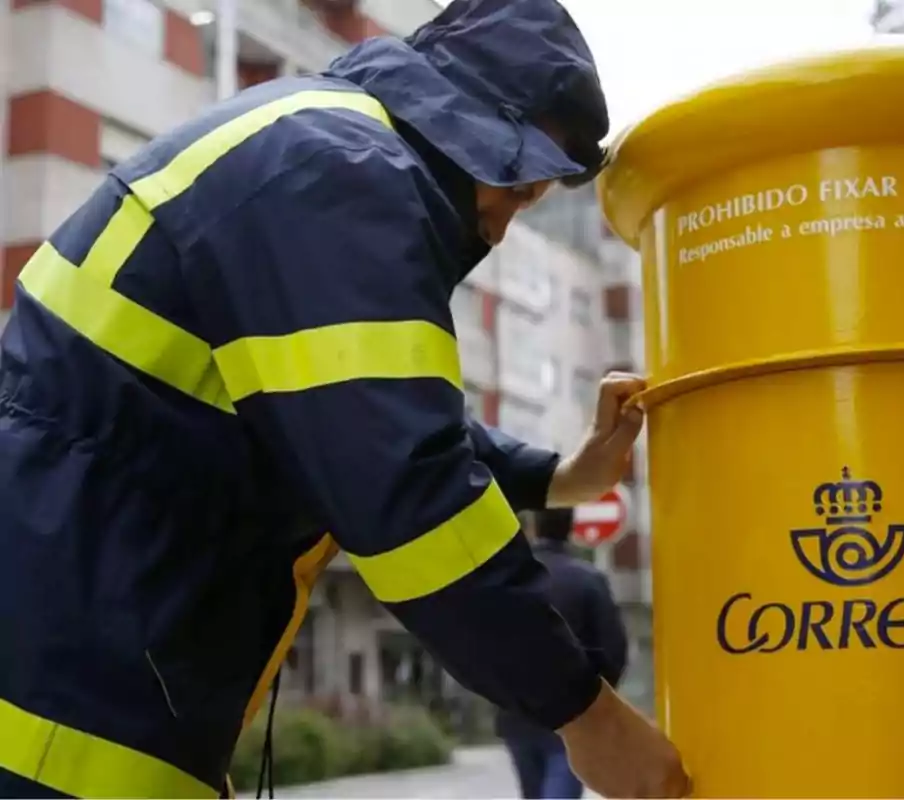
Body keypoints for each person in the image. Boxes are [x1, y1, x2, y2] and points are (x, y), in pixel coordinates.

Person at [0, 0, 690, 797]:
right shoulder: (342, 173)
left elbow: (364, 418)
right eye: (518, 185)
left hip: (78, 653)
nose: (502, 225)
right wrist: (588, 717)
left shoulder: (310, 146)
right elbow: (404, 484)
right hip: (64, 711)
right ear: (468, 130)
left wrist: (561, 476)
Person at [497, 509, 629, 799]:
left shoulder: (509, 577)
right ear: (570, 528)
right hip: (573, 713)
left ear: (531, 526)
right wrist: (600, 702)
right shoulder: (587, 580)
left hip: (517, 713)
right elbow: (613, 648)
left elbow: (489, 641)